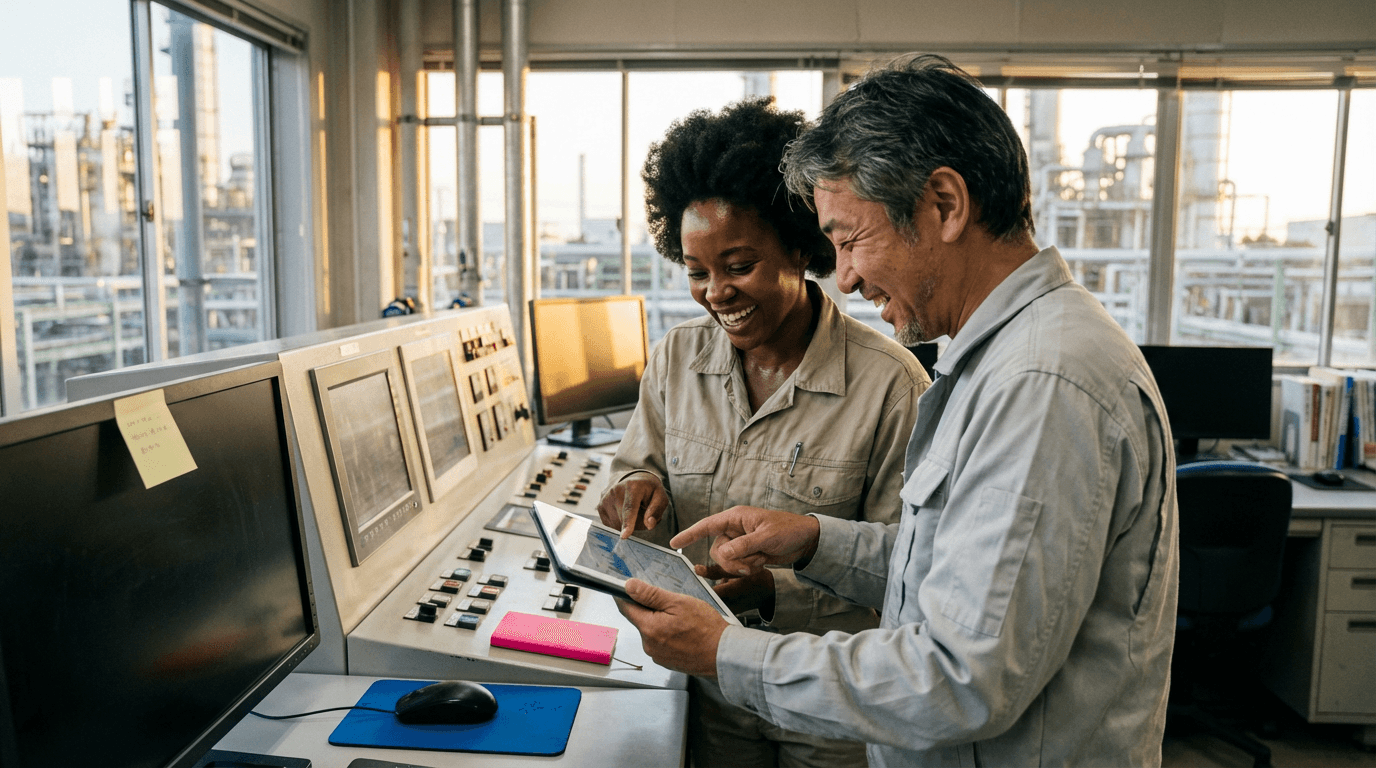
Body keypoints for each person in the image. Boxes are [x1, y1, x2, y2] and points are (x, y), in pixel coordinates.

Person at [615, 55, 1179, 767]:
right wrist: (818, 541)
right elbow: (955, 576)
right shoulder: (1000, 362)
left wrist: (730, 652)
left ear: (944, 205)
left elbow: (960, 679)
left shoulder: (1044, 383)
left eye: (850, 240)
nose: (844, 274)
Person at [597, 97, 930, 767]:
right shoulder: (675, 360)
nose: (716, 291)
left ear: (800, 248)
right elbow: (634, 463)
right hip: (707, 690)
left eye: (739, 265)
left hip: (825, 706)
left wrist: (776, 591)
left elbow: (911, 569)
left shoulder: (891, 386)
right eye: (697, 273)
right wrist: (633, 485)